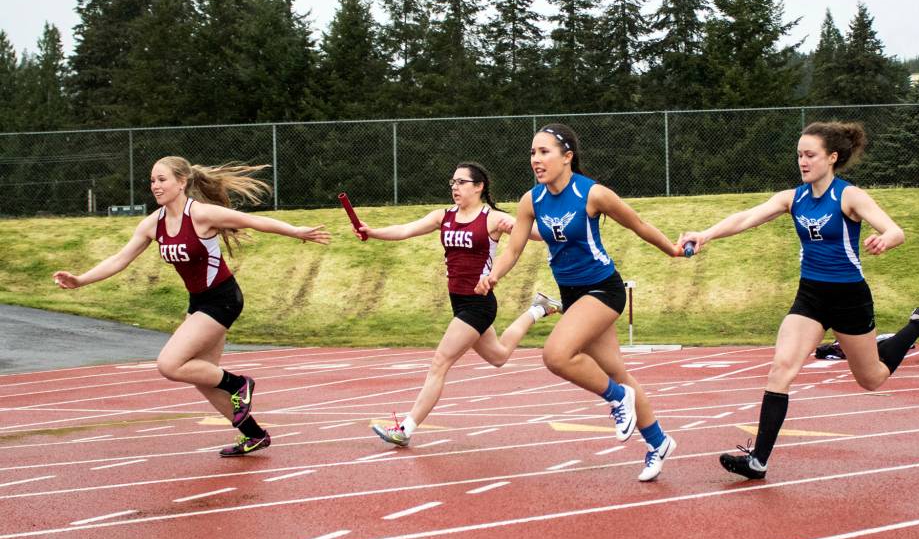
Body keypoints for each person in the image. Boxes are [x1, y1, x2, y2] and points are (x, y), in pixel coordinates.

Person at [678, 121, 919, 481]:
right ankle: (758, 460)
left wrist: (885, 239)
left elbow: (895, 230)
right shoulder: (794, 198)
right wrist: (706, 234)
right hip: (811, 295)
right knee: (781, 368)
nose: (802, 162)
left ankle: (918, 325)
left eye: (810, 155)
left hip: (849, 297)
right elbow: (748, 217)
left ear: (832, 158)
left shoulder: (849, 196)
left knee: (871, 379)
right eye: (799, 155)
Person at [53, 156, 331, 457]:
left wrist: (296, 231)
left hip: (223, 299)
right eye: (152, 180)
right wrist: (80, 280)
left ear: (181, 182)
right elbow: (120, 259)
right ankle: (254, 434)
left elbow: (253, 221)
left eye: (162, 180)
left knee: (170, 364)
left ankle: (239, 383)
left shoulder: (200, 214)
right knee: (202, 377)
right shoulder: (153, 223)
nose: (155, 186)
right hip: (198, 301)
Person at [476, 124, 682, 482]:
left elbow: (638, 224)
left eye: (544, 152)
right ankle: (658, 441)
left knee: (556, 355)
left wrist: (673, 250)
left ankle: (617, 398)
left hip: (603, 289)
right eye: (532, 153)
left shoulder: (592, 193)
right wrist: (493, 275)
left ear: (567, 156)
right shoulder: (531, 200)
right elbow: (514, 249)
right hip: (572, 295)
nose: (536, 160)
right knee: (617, 371)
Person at [362, 162, 561, 447]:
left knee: (439, 362)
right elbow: (405, 229)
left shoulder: (492, 218)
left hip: (478, 304)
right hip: (459, 302)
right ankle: (539, 308)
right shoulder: (443, 216)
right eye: (452, 182)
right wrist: (373, 232)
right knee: (499, 356)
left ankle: (405, 429)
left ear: (479, 187)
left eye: (461, 182)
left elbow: (537, 233)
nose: (455, 187)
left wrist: (527, 225)